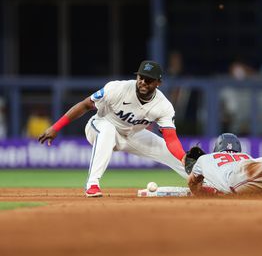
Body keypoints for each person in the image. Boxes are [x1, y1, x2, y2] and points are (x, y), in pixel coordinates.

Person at [38, 60, 188, 197]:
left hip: (131, 134)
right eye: (140, 77)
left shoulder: (163, 106)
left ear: (158, 83)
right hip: (99, 125)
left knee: (165, 148)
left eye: (148, 79)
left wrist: (183, 157)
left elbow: (171, 139)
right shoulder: (117, 88)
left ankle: (201, 183)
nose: (142, 82)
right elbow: (85, 105)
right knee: (108, 129)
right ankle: (92, 184)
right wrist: (56, 127)